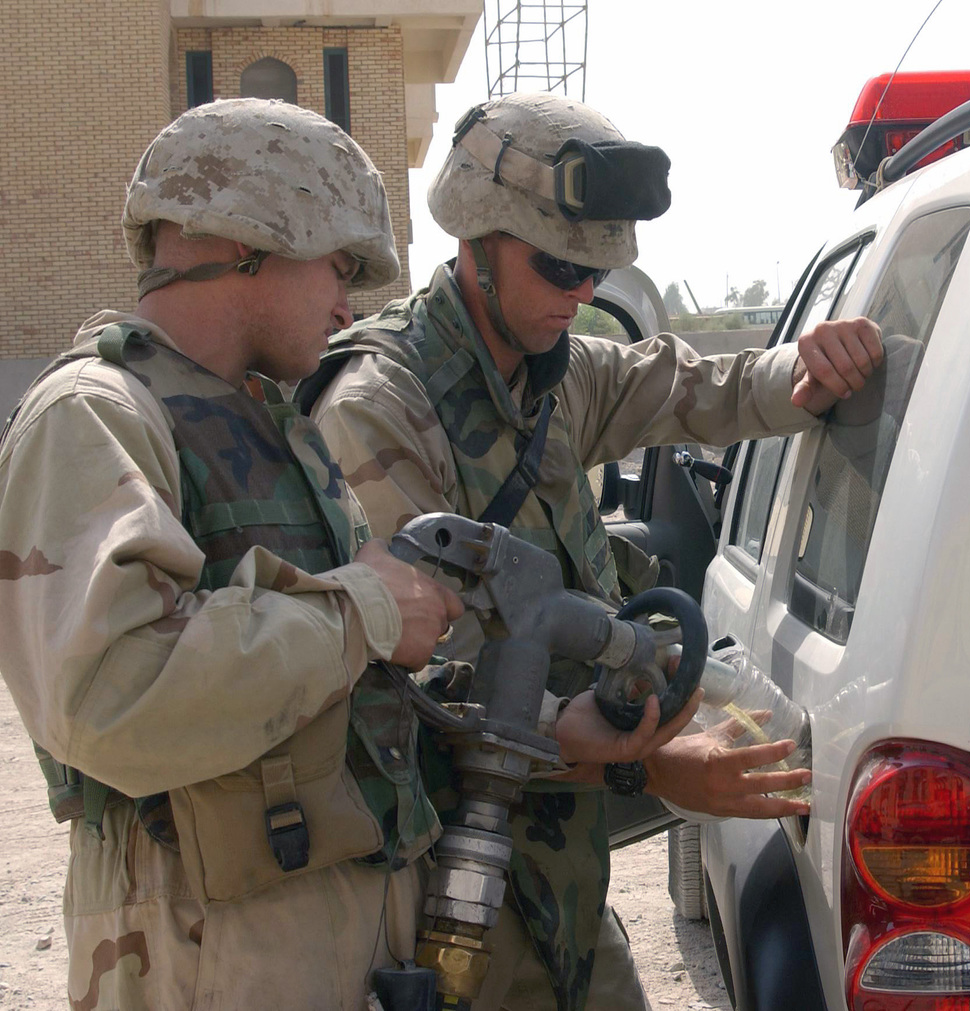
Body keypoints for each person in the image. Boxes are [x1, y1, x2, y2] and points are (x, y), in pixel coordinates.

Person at [0, 98, 693, 1011]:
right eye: (337, 263)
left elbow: (349, 694)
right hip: (215, 962)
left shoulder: (274, 428)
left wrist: (537, 723)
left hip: (344, 944)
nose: (348, 297)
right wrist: (365, 606)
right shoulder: (98, 416)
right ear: (250, 241)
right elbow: (110, 694)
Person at [301, 92, 884, 1011]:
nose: (580, 293)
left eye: (596, 272)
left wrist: (810, 370)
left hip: (559, 880)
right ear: (477, 241)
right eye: (562, 265)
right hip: (454, 897)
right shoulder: (381, 407)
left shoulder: (557, 374)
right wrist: (646, 765)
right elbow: (410, 689)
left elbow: (694, 388)